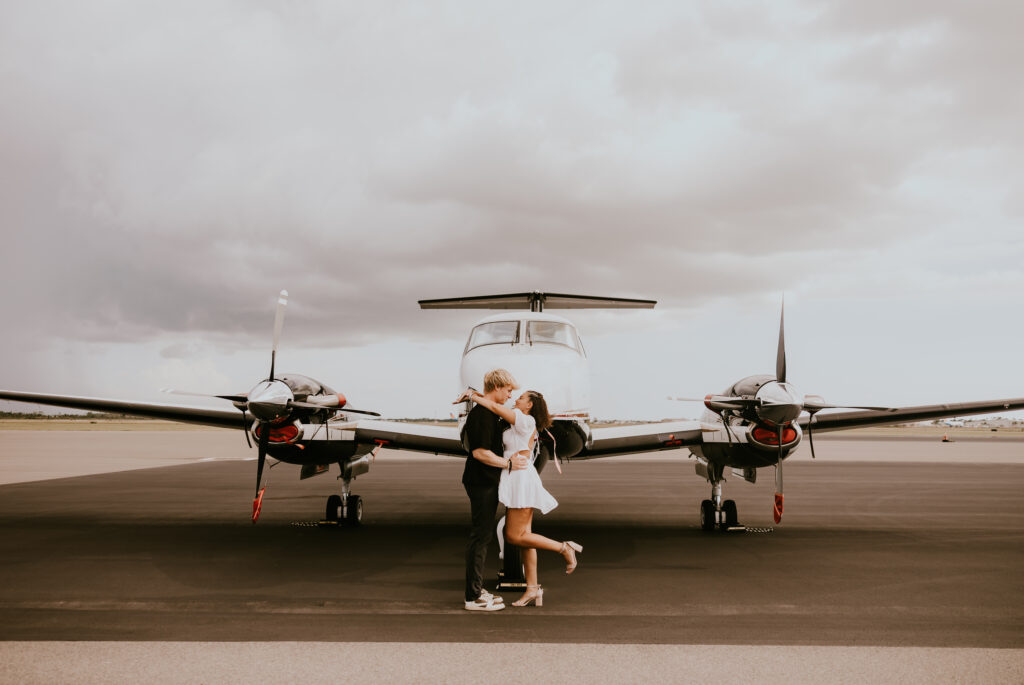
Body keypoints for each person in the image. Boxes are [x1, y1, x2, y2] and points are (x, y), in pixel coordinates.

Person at [457, 386, 583, 608]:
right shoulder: (519, 421)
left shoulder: (526, 421)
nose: (516, 398)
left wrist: (473, 396)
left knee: (514, 536)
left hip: (520, 478)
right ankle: (532, 589)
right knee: (526, 536)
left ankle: (564, 548)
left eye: (521, 397)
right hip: (516, 476)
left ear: (530, 405)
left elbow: (495, 405)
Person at [460, 368, 529, 611]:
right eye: (509, 390)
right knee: (480, 537)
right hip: (480, 481)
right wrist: (508, 463)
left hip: (486, 481)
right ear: (498, 387)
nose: (511, 395)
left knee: (483, 536)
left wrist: (474, 394)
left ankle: (477, 588)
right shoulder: (481, 417)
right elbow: (480, 452)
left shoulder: (488, 413)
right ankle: (472, 597)